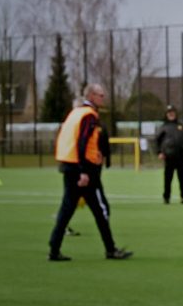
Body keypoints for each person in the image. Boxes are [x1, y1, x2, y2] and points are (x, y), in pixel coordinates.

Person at [48, 83, 133, 261]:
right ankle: (110, 249)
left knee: (68, 210)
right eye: (101, 95)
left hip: (69, 166)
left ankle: (54, 249)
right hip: (83, 170)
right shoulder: (89, 116)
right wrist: (83, 171)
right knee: (100, 210)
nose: (104, 98)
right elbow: (82, 142)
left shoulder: (75, 113)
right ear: (92, 96)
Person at [156, 104, 183, 204]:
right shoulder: (163, 127)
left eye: (172, 112)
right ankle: (166, 197)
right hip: (169, 156)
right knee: (168, 178)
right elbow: (158, 141)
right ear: (167, 114)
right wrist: (159, 152)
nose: (171, 114)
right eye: (169, 112)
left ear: (175, 113)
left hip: (181, 156)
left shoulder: (182, 125)